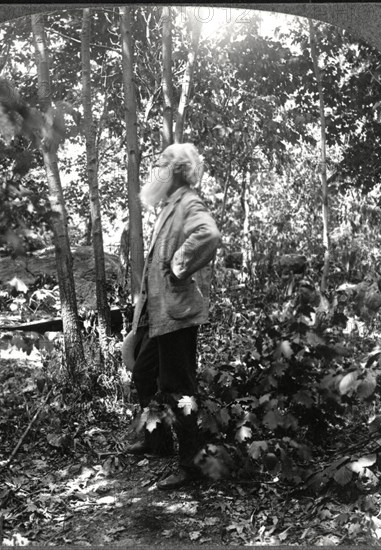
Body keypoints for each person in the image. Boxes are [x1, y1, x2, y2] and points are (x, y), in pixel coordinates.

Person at [125, 143, 220, 490]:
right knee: (143, 371)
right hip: (157, 312)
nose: (157, 168)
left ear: (178, 171)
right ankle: (157, 441)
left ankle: (191, 465)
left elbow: (208, 234)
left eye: (164, 163)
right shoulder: (169, 205)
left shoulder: (189, 202)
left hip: (178, 313)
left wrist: (179, 266)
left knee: (179, 390)